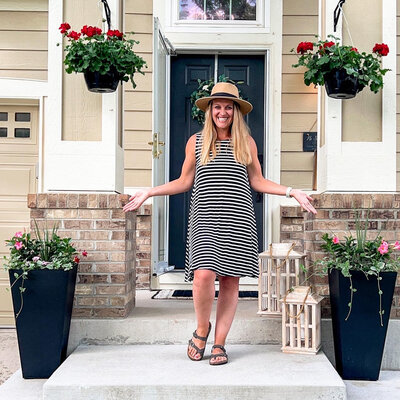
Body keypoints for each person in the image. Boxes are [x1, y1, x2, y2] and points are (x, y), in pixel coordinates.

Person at [123, 82, 317, 366]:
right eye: (217, 107)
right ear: (210, 110)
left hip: (238, 220)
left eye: (228, 107)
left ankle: (220, 343)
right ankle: (202, 329)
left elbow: (258, 182)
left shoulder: (246, 143)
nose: (222, 112)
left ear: (236, 111)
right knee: (203, 275)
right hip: (205, 219)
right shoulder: (196, 142)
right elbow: (184, 181)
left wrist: (292, 191)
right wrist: (149, 192)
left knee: (229, 281)